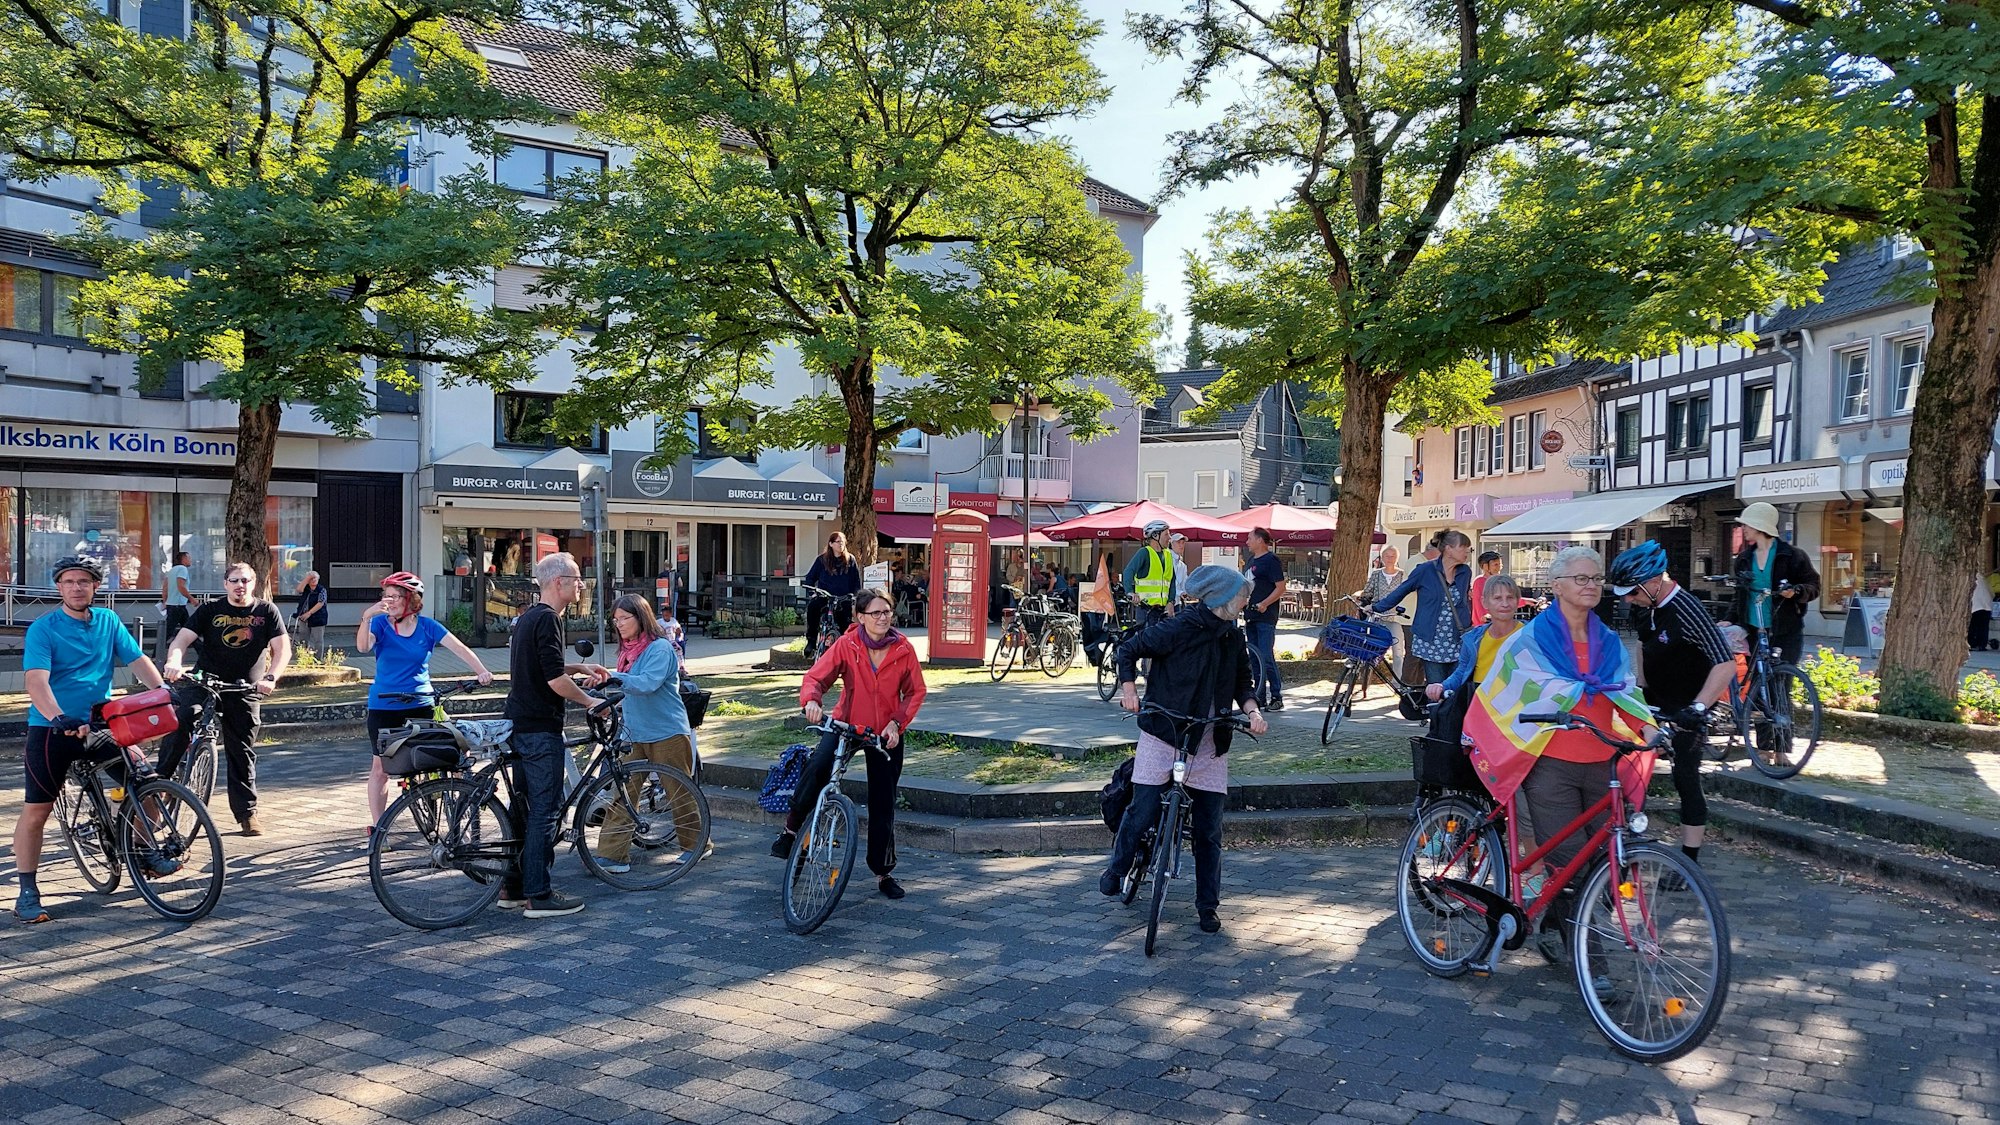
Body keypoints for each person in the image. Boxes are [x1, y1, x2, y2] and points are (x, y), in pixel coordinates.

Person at [1464, 545, 1659, 963]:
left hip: (1602, 760)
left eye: (1596, 579)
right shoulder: (1528, 641)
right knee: (1573, 862)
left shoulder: (1607, 639)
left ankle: (1555, 929)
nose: (1591, 586)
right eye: (1581, 579)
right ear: (1556, 586)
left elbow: (1623, 690)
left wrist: (1647, 725)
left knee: (1607, 860)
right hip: (1550, 765)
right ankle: (1592, 962)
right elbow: (1509, 691)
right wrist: (1567, 697)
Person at [1100, 566, 1270, 934]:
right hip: (1165, 731)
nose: (1247, 601)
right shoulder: (1179, 627)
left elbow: (1243, 682)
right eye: (1242, 596)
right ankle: (1117, 868)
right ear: (1223, 598)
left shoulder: (1233, 638)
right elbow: (1129, 649)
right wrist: (1129, 689)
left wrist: (1253, 710)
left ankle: (1207, 907)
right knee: (1142, 808)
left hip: (1210, 740)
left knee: (1209, 831)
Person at [13, 556, 170, 923]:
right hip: (52, 729)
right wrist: (58, 717)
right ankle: (27, 891)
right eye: (69, 582)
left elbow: (137, 660)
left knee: (148, 783)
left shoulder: (109, 621)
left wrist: (162, 691)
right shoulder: (44, 628)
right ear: (59, 587)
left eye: (84, 581)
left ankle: (143, 850)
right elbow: (36, 681)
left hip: (102, 725)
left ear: (95, 586)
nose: (76, 587)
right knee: (37, 811)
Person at [775, 588, 928, 899]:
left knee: (883, 801)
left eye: (887, 612)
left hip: (885, 732)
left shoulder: (903, 648)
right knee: (818, 767)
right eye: (876, 613)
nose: (884, 617)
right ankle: (792, 830)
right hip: (847, 723)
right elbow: (816, 678)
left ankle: (884, 873)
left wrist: (897, 723)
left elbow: (915, 692)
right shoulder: (848, 644)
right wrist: (812, 702)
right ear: (860, 617)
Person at [1611, 541, 1734, 869]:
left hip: (1686, 707)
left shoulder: (1687, 608)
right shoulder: (1644, 606)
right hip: (1653, 702)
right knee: (1624, 772)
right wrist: (1640, 690)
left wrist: (1697, 708)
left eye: (1633, 593)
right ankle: (1625, 849)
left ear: (1653, 583)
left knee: (1685, 778)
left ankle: (1690, 862)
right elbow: (1642, 644)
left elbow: (1725, 665)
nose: (1627, 600)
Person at [500, 552, 610, 918]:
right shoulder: (548, 619)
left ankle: (513, 887)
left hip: (518, 724)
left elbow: (542, 664)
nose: (581, 585)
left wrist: (578, 665)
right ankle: (539, 894)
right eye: (577, 578)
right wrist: (591, 701)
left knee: (524, 808)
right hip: (539, 728)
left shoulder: (529, 617)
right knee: (544, 812)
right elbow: (553, 680)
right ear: (557, 582)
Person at [355, 572, 493, 839]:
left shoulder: (428, 627)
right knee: (380, 769)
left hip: (421, 704)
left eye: (396, 597)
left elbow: (461, 649)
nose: (389, 601)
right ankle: (379, 828)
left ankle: (441, 815)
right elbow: (362, 647)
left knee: (434, 761)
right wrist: (367, 616)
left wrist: (482, 671)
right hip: (384, 706)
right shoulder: (380, 624)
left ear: (411, 600)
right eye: (387, 596)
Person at [160, 561, 290, 837]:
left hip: (243, 688)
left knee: (241, 750)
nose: (240, 586)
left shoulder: (266, 611)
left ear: (253, 584)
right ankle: (159, 787)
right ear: (225, 584)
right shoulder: (210, 610)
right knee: (181, 718)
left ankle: (247, 814)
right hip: (205, 681)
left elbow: (282, 650)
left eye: (245, 581)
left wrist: (271, 677)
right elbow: (181, 640)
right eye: (234, 581)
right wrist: (174, 660)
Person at [600, 594, 707, 870]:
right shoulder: (627, 649)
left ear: (642, 617)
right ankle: (612, 854)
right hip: (634, 732)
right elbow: (630, 688)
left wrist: (613, 678)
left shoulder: (660, 648)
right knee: (623, 791)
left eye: (625, 618)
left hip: (666, 731)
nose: (619, 624)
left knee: (679, 792)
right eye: (616, 620)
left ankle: (696, 845)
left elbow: (647, 683)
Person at [1719, 501, 1820, 666]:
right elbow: (1740, 594)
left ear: (1759, 526)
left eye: (1747, 525)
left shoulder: (1793, 556)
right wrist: (1730, 618)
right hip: (1751, 630)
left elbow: (1814, 586)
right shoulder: (1743, 559)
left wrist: (1796, 591)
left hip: (1784, 631)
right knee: (1755, 683)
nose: (1743, 528)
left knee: (1781, 682)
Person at [1373, 529, 1473, 683]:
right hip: (1431, 640)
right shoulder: (1425, 570)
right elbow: (1402, 590)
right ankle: (1429, 706)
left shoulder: (1465, 572)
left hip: (1457, 638)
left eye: (1469, 548)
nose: (1467, 551)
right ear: (1448, 549)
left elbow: (1463, 602)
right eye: (1463, 547)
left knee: (1456, 688)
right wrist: (1376, 608)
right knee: (1436, 686)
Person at [1424, 573, 1525, 704]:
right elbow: (1461, 672)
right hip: (1479, 706)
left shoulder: (1530, 635)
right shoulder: (1474, 639)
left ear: (1518, 601)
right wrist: (1442, 686)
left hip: (1517, 707)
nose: (1505, 604)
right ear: (1484, 602)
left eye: (1510, 597)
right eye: (1497, 598)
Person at [1242, 527, 1288, 710]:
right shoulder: (1251, 561)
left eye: (1250, 538)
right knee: (1254, 656)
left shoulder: (1271, 560)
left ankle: (1276, 696)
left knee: (1266, 655)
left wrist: (1265, 603)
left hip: (1265, 616)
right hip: (1250, 614)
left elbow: (1280, 587)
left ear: (1260, 540)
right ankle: (1259, 695)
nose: (1247, 542)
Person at [803, 531, 860, 654]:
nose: (841, 544)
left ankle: (846, 651)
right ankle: (811, 642)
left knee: (846, 624)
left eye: (843, 542)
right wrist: (811, 592)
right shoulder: (821, 560)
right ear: (831, 544)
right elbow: (810, 578)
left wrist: (855, 597)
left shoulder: (850, 560)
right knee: (813, 608)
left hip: (843, 599)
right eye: (838, 542)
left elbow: (856, 582)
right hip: (824, 597)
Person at [1122, 520, 1180, 630]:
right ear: (1155, 535)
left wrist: (1171, 602)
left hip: (1164, 612)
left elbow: (1171, 581)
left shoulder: (1168, 555)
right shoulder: (1144, 553)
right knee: (1146, 644)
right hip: (1146, 610)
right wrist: (1130, 592)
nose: (1169, 538)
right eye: (1166, 534)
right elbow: (1128, 572)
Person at [1359, 546, 1409, 674]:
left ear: (1397, 558)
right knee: (1372, 648)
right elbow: (1367, 592)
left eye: (1393, 556)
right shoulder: (1376, 574)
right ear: (1382, 558)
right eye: (1387, 556)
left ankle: (1398, 680)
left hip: (1395, 616)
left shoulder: (1403, 575)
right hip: (1378, 615)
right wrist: (1361, 598)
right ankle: (1367, 675)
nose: (1390, 559)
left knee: (1398, 651)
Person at [157, 550, 195, 661]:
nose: (190, 560)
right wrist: (191, 599)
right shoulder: (182, 569)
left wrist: (165, 601)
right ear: (183, 559)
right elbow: (181, 586)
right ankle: (155, 655)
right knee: (168, 632)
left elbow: (165, 587)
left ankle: (202, 653)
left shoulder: (172, 570)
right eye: (189, 558)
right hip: (178, 606)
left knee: (191, 629)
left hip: (173, 605)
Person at [292, 570, 329, 659]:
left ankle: (318, 659)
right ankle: (303, 657)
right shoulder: (305, 589)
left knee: (318, 640)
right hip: (303, 617)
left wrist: (309, 613)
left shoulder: (321, 589)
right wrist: (307, 578)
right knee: (303, 639)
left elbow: (320, 603)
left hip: (318, 618)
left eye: (314, 578)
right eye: (311, 578)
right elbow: (298, 590)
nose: (313, 580)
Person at [1469, 551, 1503, 626]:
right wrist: (1483, 616)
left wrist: (1525, 601)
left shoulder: (1499, 581)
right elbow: (1478, 601)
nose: (1498, 568)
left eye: (1500, 565)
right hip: (1483, 626)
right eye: (1495, 565)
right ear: (1485, 566)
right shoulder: (1479, 581)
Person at [1971, 575, 1994, 653]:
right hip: (1987, 605)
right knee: (1984, 627)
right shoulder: (1982, 578)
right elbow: (1992, 592)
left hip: (1975, 606)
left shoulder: (1969, 578)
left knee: (1972, 626)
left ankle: (1972, 644)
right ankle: (1981, 645)